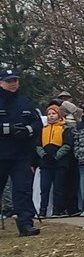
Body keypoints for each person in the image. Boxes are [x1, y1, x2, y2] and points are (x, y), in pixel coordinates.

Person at [0, 69, 42, 236]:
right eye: (9, 80)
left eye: (15, 80)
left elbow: (38, 124)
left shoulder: (25, 103)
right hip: (1, 154)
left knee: (22, 190)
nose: (13, 83)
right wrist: (7, 129)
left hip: (21, 156)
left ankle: (25, 224)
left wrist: (27, 130)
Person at [37, 104, 70, 218]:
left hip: (59, 163)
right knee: (44, 188)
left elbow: (67, 145)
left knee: (58, 188)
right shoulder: (43, 129)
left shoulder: (64, 128)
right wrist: (44, 155)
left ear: (59, 115)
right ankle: (43, 210)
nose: (51, 116)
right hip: (45, 163)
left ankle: (57, 210)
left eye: (53, 114)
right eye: (49, 114)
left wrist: (56, 156)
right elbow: (38, 145)